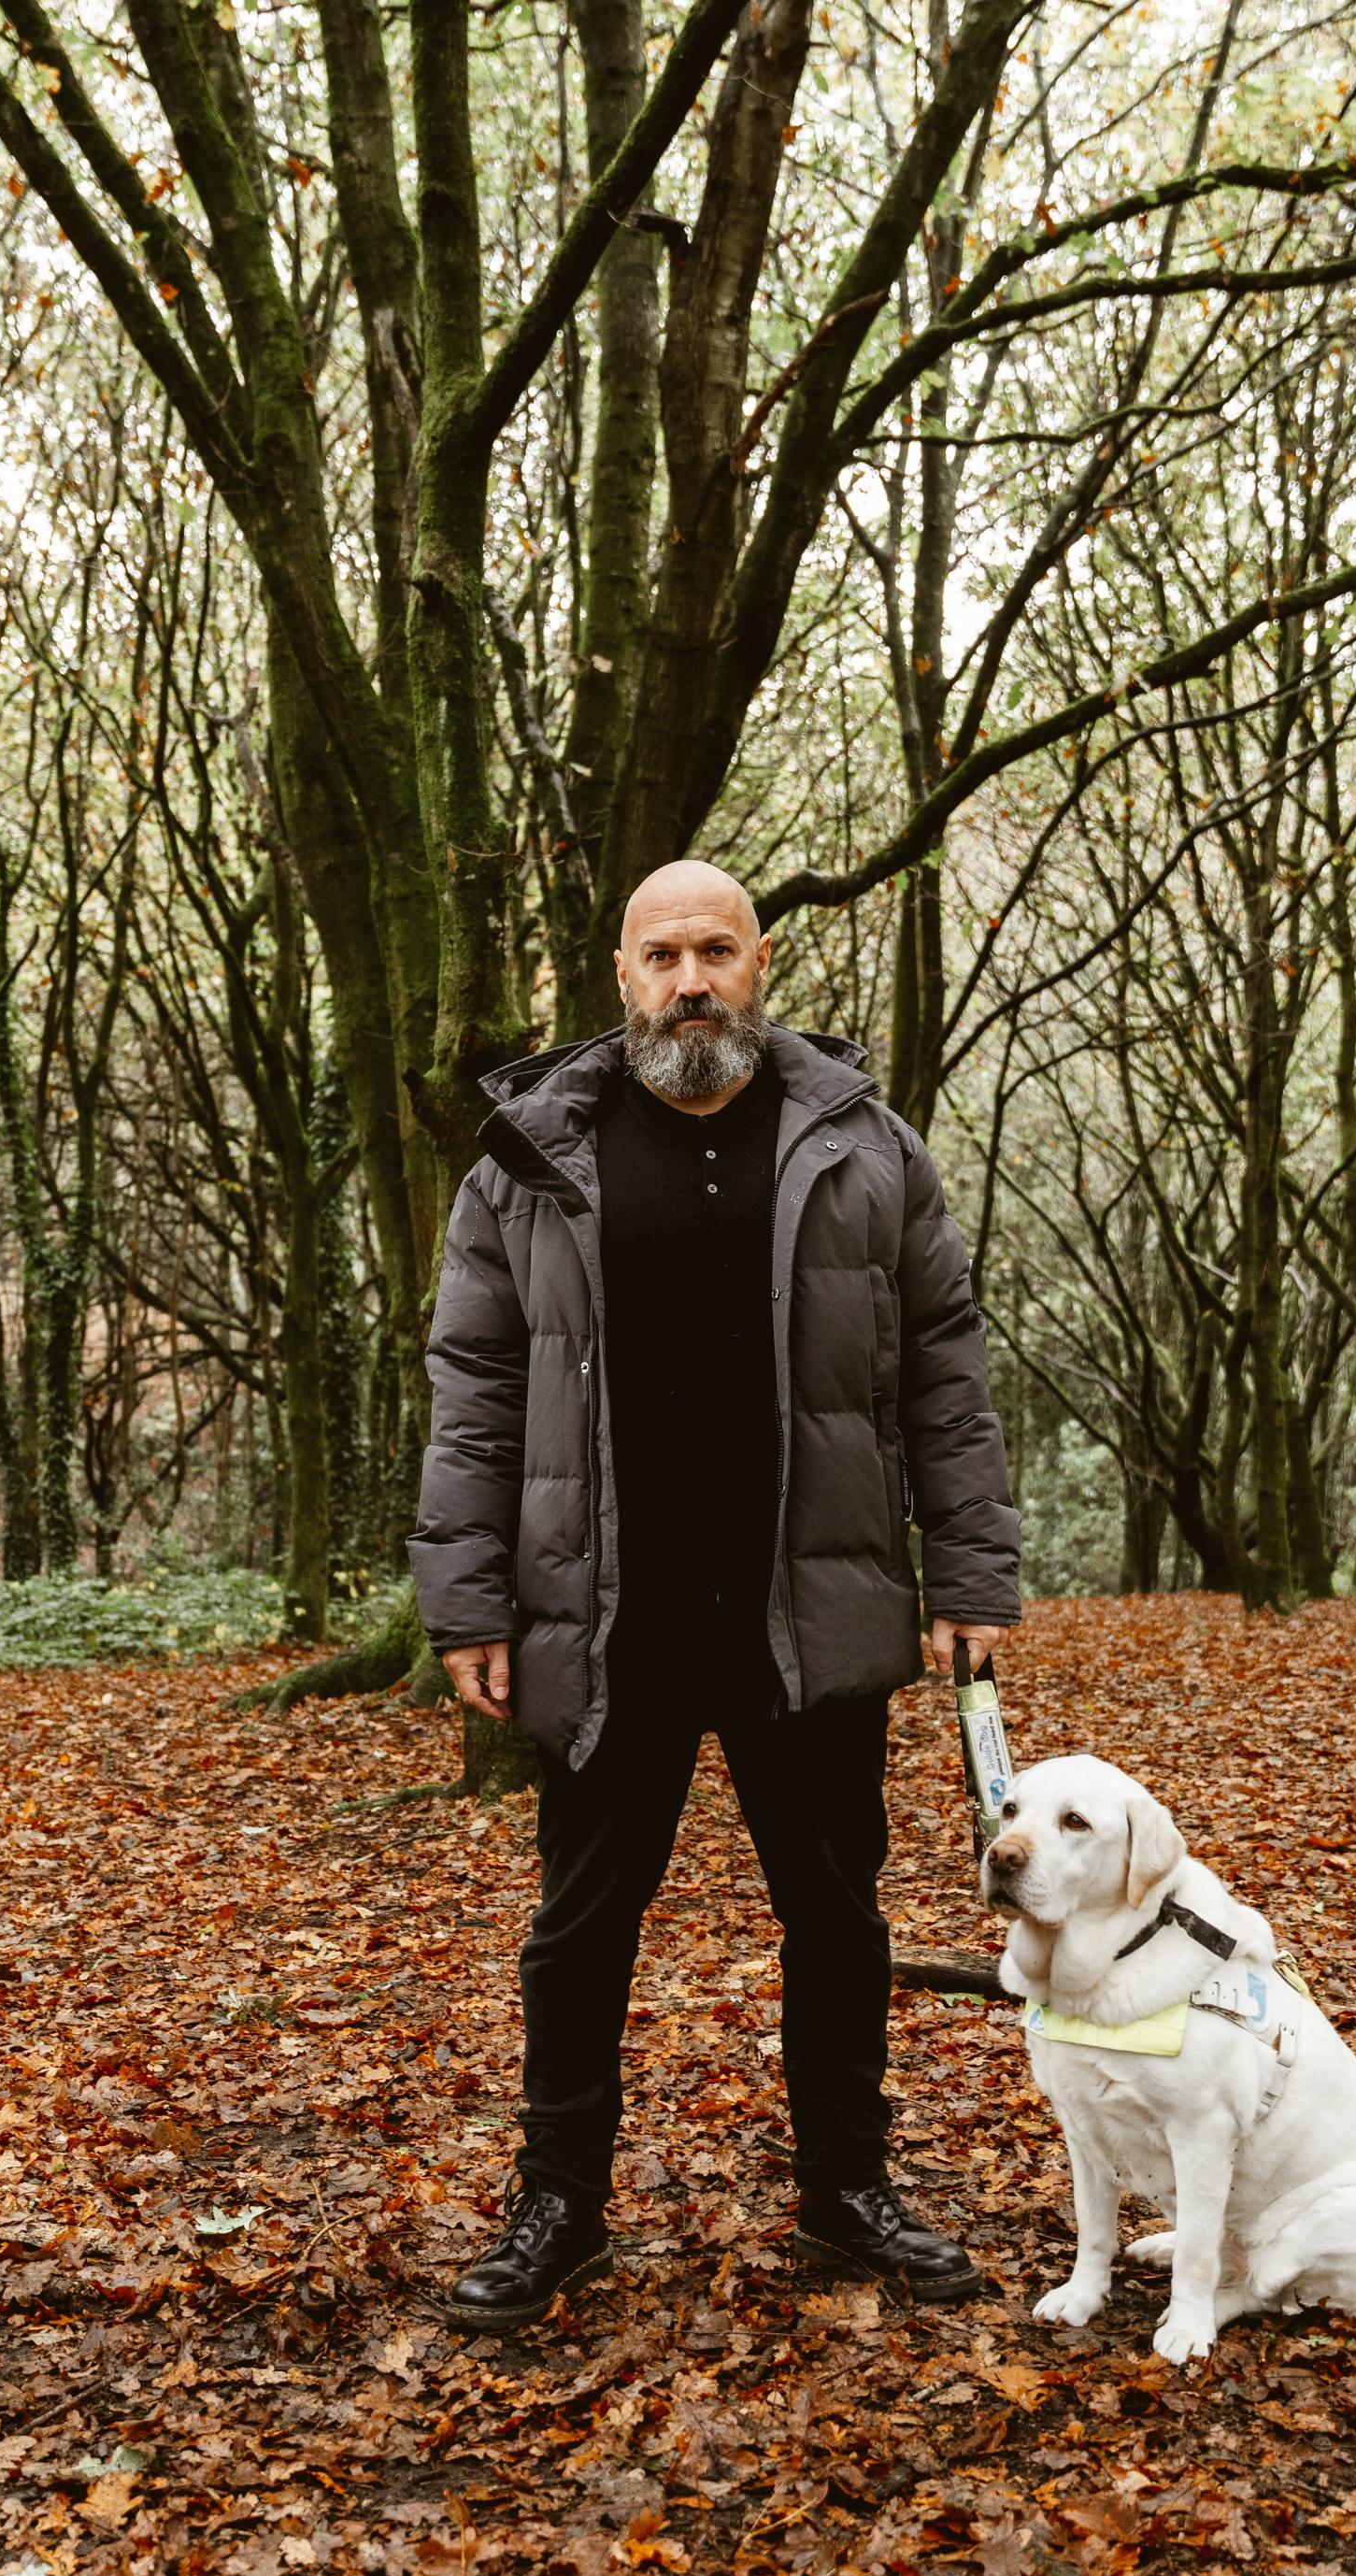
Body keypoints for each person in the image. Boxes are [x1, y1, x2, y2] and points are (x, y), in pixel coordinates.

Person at [408, 859, 1022, 2334]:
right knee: (580, 1925)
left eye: (717, 952)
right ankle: (558, 2202)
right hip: (603, 1615)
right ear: (620, 977)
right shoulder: (529, 1156)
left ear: (760, 966)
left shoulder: (865, 1149)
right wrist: (467, 1601)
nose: (690, 979)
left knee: (834, 1915)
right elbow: (473, 1391)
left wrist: (972, 1568)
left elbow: (944, 1366)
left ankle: (845, 2186)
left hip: (805, 1613)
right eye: (661, 955)